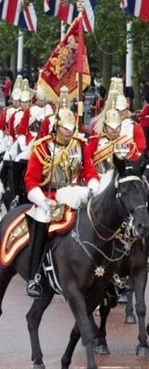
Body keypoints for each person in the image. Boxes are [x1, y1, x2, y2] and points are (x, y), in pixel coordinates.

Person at [23, 108, 100, 297]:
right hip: (50, 197)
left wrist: (92, 187)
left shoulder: (80, 145)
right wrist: (43, 201)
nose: (69, 132)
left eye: (71, 128)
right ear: (57, 127)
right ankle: (35, 276)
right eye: (65, 128)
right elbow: (31, 181)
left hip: (75, 193)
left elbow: (90, 172)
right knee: (42, 221)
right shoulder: (42, 147)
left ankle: (108, 272)